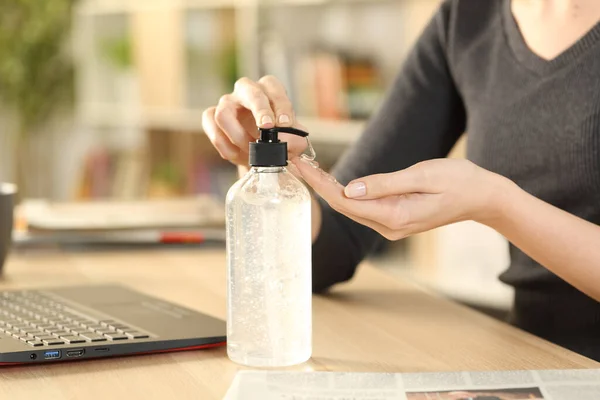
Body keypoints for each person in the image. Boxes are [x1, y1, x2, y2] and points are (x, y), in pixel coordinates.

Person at [202, 0, 600, 361]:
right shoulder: (468, 19)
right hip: (537, 360)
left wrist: (500, 204)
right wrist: (265, 167)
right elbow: (333, 248)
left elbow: (498, 201)